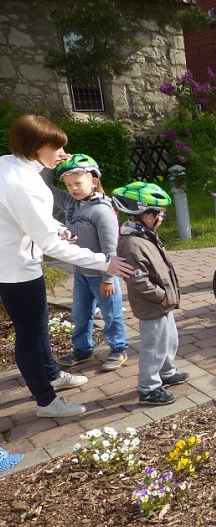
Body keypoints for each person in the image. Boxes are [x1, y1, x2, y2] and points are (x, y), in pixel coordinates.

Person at [0, 115, 132, 418]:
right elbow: (50, 246)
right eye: (56, 148)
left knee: (38, 326)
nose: (63, 155)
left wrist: (56, 226)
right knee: (30, 334)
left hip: (18, 261)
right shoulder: (20, 182)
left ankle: (52, 374)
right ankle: (46, 401)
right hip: (16, 270)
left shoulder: (11, 164)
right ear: (35, 148)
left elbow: (30, 218)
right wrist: (104, 261)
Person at [42, 154, 129, 371]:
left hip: (103, 275)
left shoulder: (102, 211)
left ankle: (118, 349)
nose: (73, 189)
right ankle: (83, 350)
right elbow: (47, 188)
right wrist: (50, 163)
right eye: (69, 185)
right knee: (80, 314)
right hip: (81, 274)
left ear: (94, 181)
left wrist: (109, 279)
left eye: (78, 183)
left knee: (111, 314)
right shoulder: (72, 203)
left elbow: (111, 249)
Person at [113, 182, 186, 406]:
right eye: (159, 214)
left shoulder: (146, 235)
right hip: (153, 304)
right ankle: (148, 387)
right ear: (145, 215)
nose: (162, 218)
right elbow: (137, 279)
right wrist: (160, 295)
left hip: (163, 303)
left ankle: (166, 372)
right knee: (153, 347)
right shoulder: (132, 244)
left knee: (169, 340)